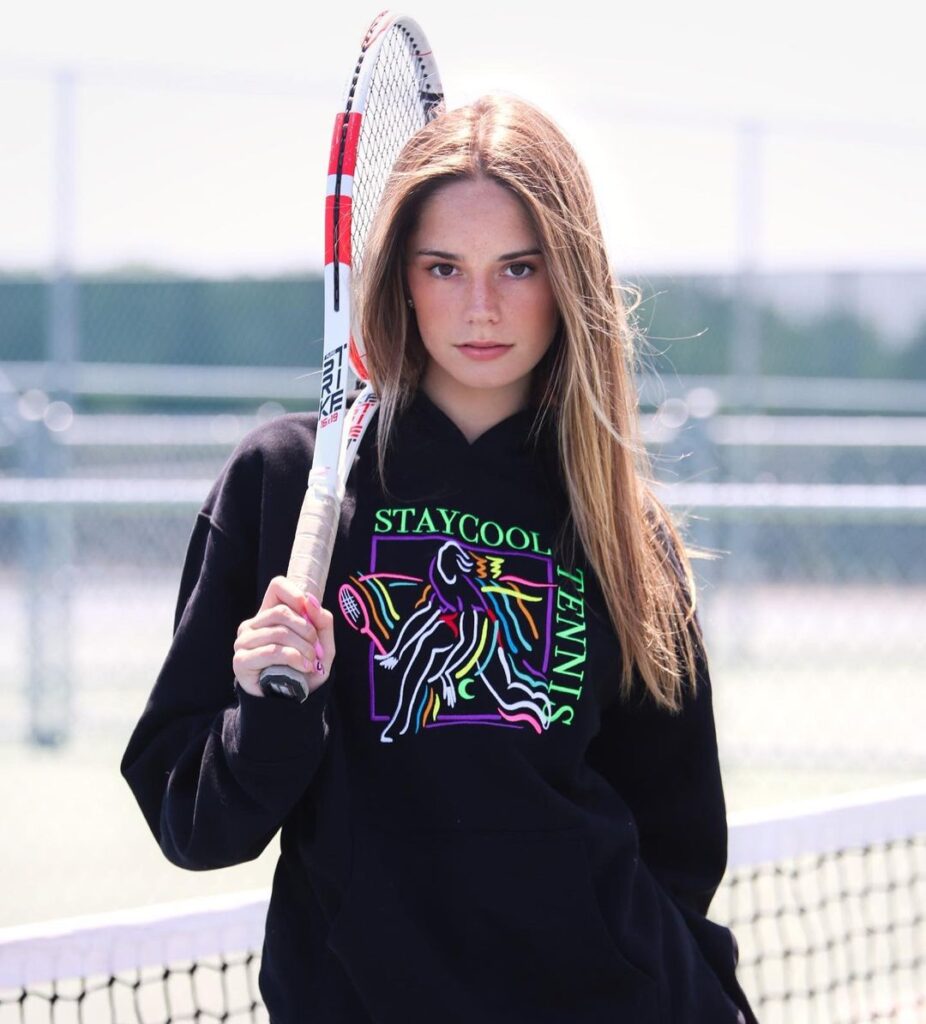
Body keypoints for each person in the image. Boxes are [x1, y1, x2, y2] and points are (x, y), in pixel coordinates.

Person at [121, 94, 758, 1023]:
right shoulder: (286, 482)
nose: (483, 307)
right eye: (445, 268)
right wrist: (268, 711)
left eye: (519, 267)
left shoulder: (623, 525)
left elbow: (678, 841)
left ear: (568, 279)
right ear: (401, 281)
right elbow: (195, 825)